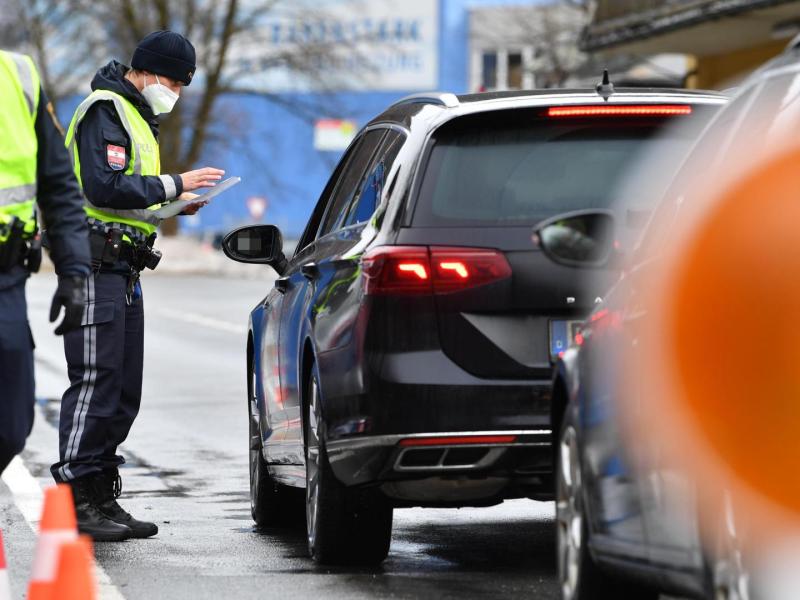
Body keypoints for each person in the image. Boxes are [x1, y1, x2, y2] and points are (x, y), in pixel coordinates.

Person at [50, 30, 224, 541]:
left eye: (183, 84)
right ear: (143, 71)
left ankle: (101, 493)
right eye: (172, 79)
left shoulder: (136, 117)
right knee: (95, 383)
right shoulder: (106, 109)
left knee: (123, 391)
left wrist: (170, 206)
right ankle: (75, 495)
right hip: (93, 265)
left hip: (123, 268)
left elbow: (126, 194)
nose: (175, 91)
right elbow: (101, 185)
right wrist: (175, 183)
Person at [0, 51, 91, 475]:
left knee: (11, 426)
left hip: (5, 276)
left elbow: (58, 185)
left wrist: (73, 271)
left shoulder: (17, 73)